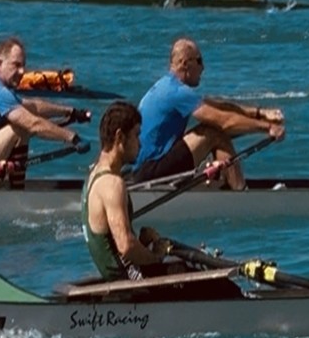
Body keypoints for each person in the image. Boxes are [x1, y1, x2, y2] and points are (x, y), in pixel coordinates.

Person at [131, 38, 285, 190]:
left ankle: (229, 183)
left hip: (145, 168)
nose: (203, 67)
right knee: (213, 132)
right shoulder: (176, 92)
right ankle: (241, 192)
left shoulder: (167, 85)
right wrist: (268, 127)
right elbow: (225, 122)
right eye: (199, 61)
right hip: (149, 172)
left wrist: (260, 113)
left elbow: (219, 107)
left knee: (214, 129)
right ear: (185, 64)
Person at [0, 36, 90, 187]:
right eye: (16, 65)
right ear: (0, 63)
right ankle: (17, 191)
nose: (22, 71)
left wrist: (71, 112)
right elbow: (33, 124)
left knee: (21, 120)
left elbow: (32, 106)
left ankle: (17, 186)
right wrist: (73, 138)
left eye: (23, 66)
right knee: (21, 126)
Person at [83, 101, 181, 281]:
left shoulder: (93, 176)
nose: (140, 144)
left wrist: (143, 242)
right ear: (120, 137)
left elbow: (113, 245)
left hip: (123, 275)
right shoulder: (112, 184)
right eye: (136, 135)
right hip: (128, 284)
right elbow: (126, 247)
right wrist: (156, 258)